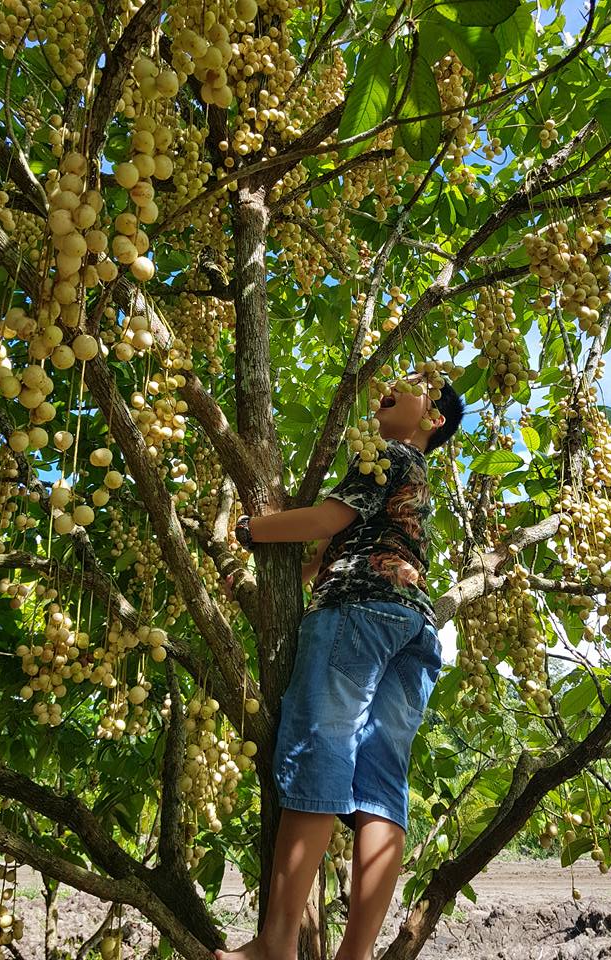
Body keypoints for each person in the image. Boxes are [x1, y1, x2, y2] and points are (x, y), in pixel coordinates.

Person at [215, 371, 465, 960]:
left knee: (317, 753)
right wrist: (272, 580)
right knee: (380, 788)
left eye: (415, 384)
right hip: (411, 626)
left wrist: (252, 530)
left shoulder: (390, 458)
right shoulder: (410, 482)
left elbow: (325, 521)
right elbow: (337, 549)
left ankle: (274, 945)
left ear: (432, 420)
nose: (395, 383)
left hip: (358, 611)